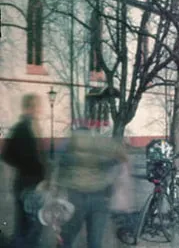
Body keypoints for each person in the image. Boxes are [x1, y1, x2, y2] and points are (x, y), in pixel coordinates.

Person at [56, 123, 129, 248]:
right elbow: (119, 157)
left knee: (66, 238)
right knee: (95, 242)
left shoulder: (68, 145)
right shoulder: (100, 145)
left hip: (74, 198)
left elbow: (58, 167)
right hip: (99, 198)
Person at [2, 94, 46, 246]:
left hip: (27, 182)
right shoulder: (24, 128)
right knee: (33, 225)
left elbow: (7, 155)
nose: (39, 109)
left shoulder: (31, 126)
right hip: (28, 183)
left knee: (24, 224)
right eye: (36, 106)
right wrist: (27, 165)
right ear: (29, 107)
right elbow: (7, 155)